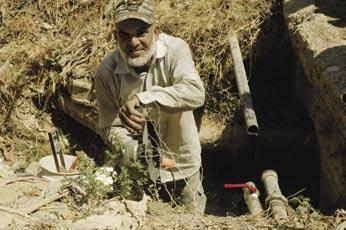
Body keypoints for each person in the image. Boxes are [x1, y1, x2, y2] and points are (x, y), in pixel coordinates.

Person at [94, 0, 206, 213]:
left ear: (156, 31)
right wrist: (138, 152)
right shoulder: (106, 72)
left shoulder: (176, 51)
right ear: (114, 36)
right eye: (125, 35)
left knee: (191, 221)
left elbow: (195, 93)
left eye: (141, 33)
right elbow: (108, 126)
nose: (133, 42)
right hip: (138, 172)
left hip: (181, 167)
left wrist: (145, 98)